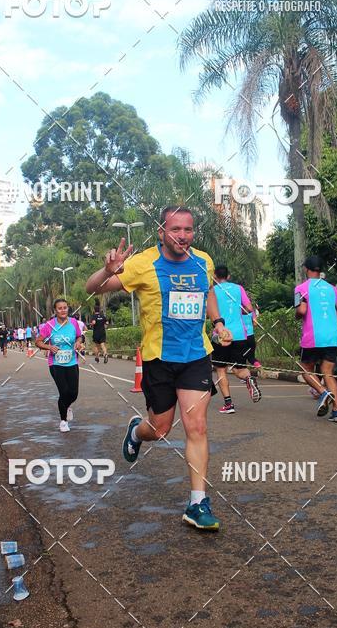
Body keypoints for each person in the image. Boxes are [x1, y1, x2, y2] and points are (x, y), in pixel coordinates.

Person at [86, 205, 233, 532]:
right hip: (159, 358)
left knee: (197, 427)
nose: (182, 236)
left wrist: (218, 323)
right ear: (161, 232)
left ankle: (197, 502)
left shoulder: (203, 261)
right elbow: (93, 289)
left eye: (188, 230)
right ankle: (138, 430)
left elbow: (207, 292)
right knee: (161, 428)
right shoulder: (142, 264)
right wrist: (107, 270)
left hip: (196, 354)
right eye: (176, 230)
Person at [294, 257, 337, 422]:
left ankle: (323, 392)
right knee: (328, 372)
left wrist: (297, 315)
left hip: (312, 337)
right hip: (331, 336)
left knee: (306, 369)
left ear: (306, 269)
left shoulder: (300, 288)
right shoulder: (332, 288)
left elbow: (301, 311)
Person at [212, 266, 261, 413]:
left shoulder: (212, 291)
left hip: (222, 335)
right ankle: (248, 379)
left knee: (221, 369)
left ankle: (228, 404)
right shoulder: (238, 288)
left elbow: (209, 312)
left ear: (214, 276)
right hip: (240, 334)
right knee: (239, 368)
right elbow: (248, 308)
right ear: (229, 275)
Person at [35, 299, 83, 432]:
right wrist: (49, 346)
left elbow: (79, 337)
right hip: (56, 363)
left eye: (65, 308)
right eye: (60, 308)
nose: (63, 310)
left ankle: (67, 406)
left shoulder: (73, 322)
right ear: (55, 311)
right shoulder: (49, 325)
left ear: (68, 309)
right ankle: (63, 421)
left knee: (73, 393)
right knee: (64, 392)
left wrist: (78, 343)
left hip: (72, 362)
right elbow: (38, 342)